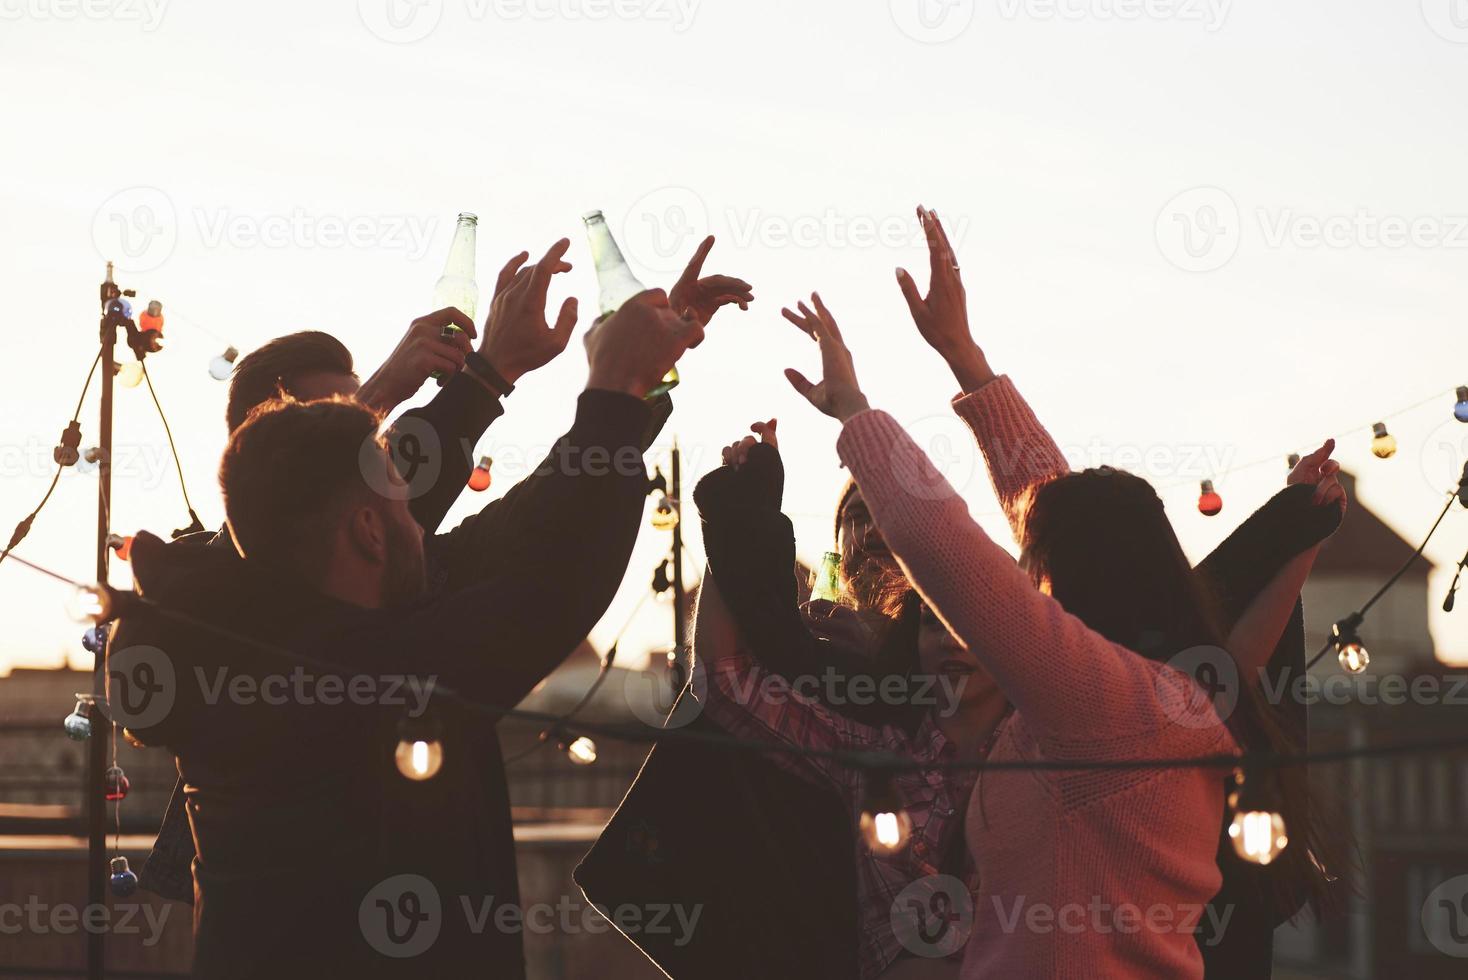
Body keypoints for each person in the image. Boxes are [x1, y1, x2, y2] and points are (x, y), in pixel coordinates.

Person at [110, 285, 713, 978]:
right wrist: (613, 389)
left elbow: (518, 532)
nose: (419, 516)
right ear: (368, 530)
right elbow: (549, 589)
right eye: (400, 494)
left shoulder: (246, 635)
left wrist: (615, 393)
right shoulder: (359, 676)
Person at [777, 269, 1345, 977]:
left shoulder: (1103, 702)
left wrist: (856, 412)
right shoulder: (1162, 696)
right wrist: (966, 360)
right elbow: (1059, 508)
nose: (1025, 574)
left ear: (1073, 578)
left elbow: (944, 547)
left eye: (1035, 561)